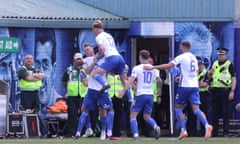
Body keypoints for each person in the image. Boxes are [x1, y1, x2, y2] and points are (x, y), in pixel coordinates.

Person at [144, 41, 213, 141]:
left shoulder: (182, 56)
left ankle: (183, 130)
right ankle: (207, 125)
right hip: (194, 86)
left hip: (184, 86)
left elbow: (168, 66)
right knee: (196, 109)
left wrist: (153, 67)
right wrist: (181, 76)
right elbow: (195, 71)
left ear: (182, 47)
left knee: (178, 108)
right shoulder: (193, 58)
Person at [119, 50, 161, 140]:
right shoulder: (153, 68)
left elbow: (131, 80)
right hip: (150, 95)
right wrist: (159, 91)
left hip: (141, 94)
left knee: (133, 115)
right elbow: (159, 80)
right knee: (147, 116)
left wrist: (123, 90)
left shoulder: (137, 68)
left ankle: (136, 135)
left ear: (140, 57)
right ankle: (155, 126)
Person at [74, 53, 115, 140]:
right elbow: (85, 70)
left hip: (102, 90)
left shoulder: (105, 60)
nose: (87, 50)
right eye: (86, 49)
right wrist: (93, 62)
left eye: (88, 49)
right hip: (92, 90)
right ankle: (78, 133)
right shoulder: (88, 60)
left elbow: (109, 71)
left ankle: (105, 132)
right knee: (84, 109)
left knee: (105, 110)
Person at [207, 47, 236, 137]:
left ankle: (225, 133)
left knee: (225, 113)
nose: (220, 56)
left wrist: (232, 91)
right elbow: (209, 77)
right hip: (215, 90)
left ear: (225, 55)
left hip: (225, 91)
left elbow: (234, 78)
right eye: (219, 55)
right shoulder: (214, 63)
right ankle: (215, 132)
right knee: (214, 113)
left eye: (222, 55)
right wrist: (209, 74)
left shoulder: (229, 64)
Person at [91, 20, 126, 92]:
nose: (93, 32)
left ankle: (105, 84)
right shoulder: (109, 35)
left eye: (93, 30)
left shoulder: (99, 36)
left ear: (95, 28)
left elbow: (101, 48)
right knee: (123, 81)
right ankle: (130, 99)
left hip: (112, 58)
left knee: (95, 74)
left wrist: (100, 56)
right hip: (119, 57)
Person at [61, 53, 88, 137]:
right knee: (72, 114)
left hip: (82, 96)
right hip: (72, 96)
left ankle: (82, 132)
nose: (79, 61)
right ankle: (70, 133)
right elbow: (63, 81)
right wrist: (69, 89)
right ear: (74, 61)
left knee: (82, 114)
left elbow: (87, 82)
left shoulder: (85, 70)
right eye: (78, 59)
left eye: (80, 59)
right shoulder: (69, 70)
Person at [108, 64, 133, 137]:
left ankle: (117, 132)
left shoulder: (122, 76)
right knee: (110, 115)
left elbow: (127, 86)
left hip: (119, 97)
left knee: (118, 115)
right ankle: (109, 132)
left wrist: (129, 98)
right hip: (110, 96)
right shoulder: (109, 75)